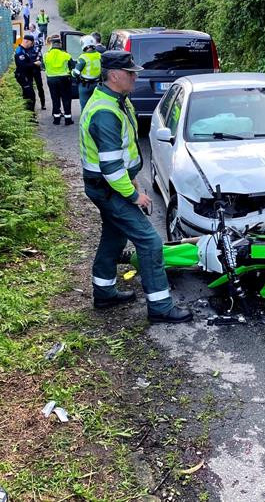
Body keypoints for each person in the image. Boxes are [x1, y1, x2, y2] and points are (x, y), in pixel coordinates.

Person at [79, 50, 192, 323]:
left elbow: (123, 155)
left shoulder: (117, 101)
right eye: (131, 73)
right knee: (150, 242)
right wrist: (134, 195)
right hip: (108, 188)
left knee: (114, 237)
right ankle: (161, 307)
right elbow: (110, 167)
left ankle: (104, 292)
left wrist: (133, 179)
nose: (135, 76)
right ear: (115, 76)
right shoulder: (105, 112)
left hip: (109, 184)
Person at [44, 35, 75, 125]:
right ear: (60, 44)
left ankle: (56, 120)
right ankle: (68, 120)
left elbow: (42, 67)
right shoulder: (66, 55)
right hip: (64, 79)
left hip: (51, 80)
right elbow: (72, 66)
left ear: (52, 44)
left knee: (55, 98)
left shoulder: (46, 55)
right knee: (66, 99)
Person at [73, 35, 103, 107]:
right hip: (97, 84)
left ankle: (85, 118)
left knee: (85, 107)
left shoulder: (83, 57)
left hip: (85, 86)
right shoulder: (100, 55)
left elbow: (75, 73)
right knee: (96, 105)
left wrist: (72, 71)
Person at [14, 34, 39, 116]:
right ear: (27, 41)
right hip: (23, 76)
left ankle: (28, 115)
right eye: (31, 44)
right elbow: (23, 65)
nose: (31, 46)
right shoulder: (20, 51)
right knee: (30, 97)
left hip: (27, 76)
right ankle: (31, 117)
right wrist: (35, 64)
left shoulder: (24, 50)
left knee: (27, 96)